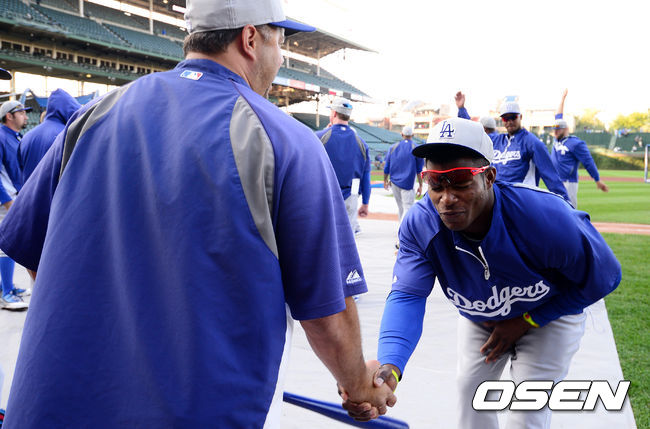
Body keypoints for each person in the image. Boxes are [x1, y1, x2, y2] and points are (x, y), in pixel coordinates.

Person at [0, 1, 396, 427]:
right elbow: (326, 313)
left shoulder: (93, 115)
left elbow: (35, 252)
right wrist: (359, 385)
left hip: (58, 405)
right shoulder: (285, 139)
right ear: (250, 38)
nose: (281, 58)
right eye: (280, 42)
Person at [346, 117, 621, 428]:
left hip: (550, 313)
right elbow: (408, 295)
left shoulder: (544, 217)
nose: (447, 198)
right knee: (471, 398)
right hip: (483, 318)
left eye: (461, 181)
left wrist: (528, 320)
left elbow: (605, 277)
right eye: (435, 182)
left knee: (527, 409)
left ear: (489, 177)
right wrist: (390, 368)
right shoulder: (421, 224)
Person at [455, 91, 570, 203]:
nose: (509, 121)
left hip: (522, 201)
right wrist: (461, 109)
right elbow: (475, 133)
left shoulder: (532, 142)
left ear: (520, 117)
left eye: (513, 117)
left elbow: (550, 175)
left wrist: (566, 203)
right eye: (505, 118)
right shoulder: (496, 140)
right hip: (498, 200)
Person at [317, 97, 371, 235]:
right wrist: (365, 203)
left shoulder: (320, 137)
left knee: (327, 238)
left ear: (334, 113)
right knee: (348, 239)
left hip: (325, 194)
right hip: (351, 196)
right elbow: (366, 177)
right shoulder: (361, 143)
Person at [552, 89, 608, 207]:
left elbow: (588, 162)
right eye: (554, 129)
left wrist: (597, 180)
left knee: (569, 211)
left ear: (566, 129)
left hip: (568, 183)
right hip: (555, 181)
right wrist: (562, 99)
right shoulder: (556, 140)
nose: (555, 131)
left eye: (558, 129)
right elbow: (558, 116)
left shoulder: (576, 143)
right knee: (555, 211)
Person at [0, 100, 31, 311]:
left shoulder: (14, 136)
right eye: (21, 112)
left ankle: (7, 286)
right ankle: (6, 294)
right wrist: (7, 201)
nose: (26, 116)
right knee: (6, 245)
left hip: (13, 196)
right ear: (9, 116)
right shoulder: (1, 136)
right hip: (5, 200)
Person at [18, 88, 80, 184]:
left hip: (28, 192)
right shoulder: (66, 135)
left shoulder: (27, 136)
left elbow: (19, 170)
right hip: (55, 192)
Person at [383, 125, 423, 241]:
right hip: (408, 183)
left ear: (402, 134)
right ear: (413, 135)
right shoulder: (416, 148)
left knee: (401, 207)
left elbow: (386, 166)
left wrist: (385, 180)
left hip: (394, 182)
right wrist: (420, 185)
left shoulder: (393, 147)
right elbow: (419, 170)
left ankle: (401, 229)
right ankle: (402, 231)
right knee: (407, 207)